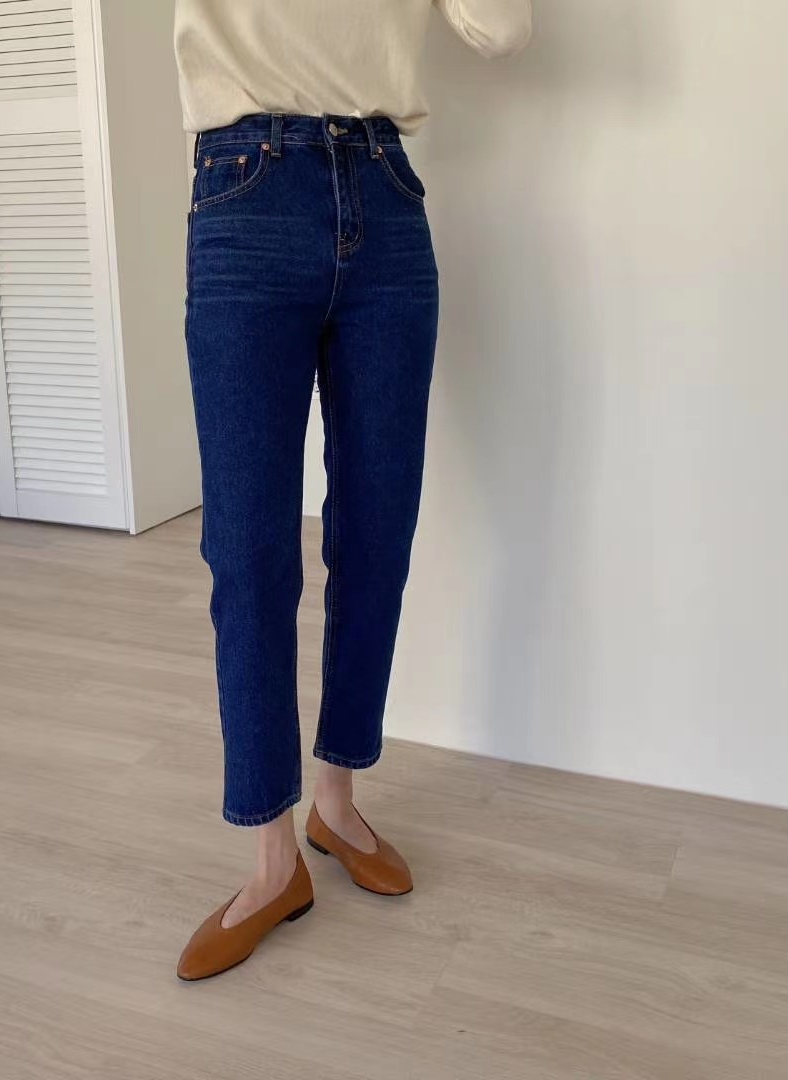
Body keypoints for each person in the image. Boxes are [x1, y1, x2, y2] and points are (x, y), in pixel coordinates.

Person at [174, 0, 533, 981]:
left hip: (383, 192)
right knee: (249, 552)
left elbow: (502, 29)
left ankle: (335, 803)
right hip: (245, 188)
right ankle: (271, 858)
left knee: (377, 533)